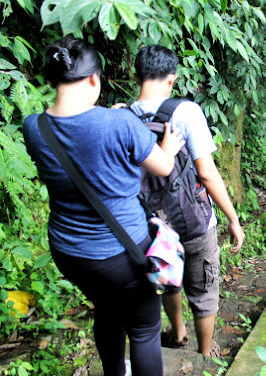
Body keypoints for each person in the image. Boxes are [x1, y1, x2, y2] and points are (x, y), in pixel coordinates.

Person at [23, 36, 184, 376]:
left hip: (70, 253)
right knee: (144, 330)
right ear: (95, 79)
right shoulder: (119, 123)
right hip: (123, 254)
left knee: (107, 311)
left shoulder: (34, 128)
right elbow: (164, 167)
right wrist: (167, 145)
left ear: (52, 81)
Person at [127, 45, 245, 358]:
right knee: (204, 290)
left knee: (168, 275)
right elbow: (206, 173)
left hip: (151, 225)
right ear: (173, 78)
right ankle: (205, 353)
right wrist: (232, 219)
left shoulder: (121, 118)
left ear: (134, 75)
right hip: (194, 223)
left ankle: (178, 334)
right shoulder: (185, 112)